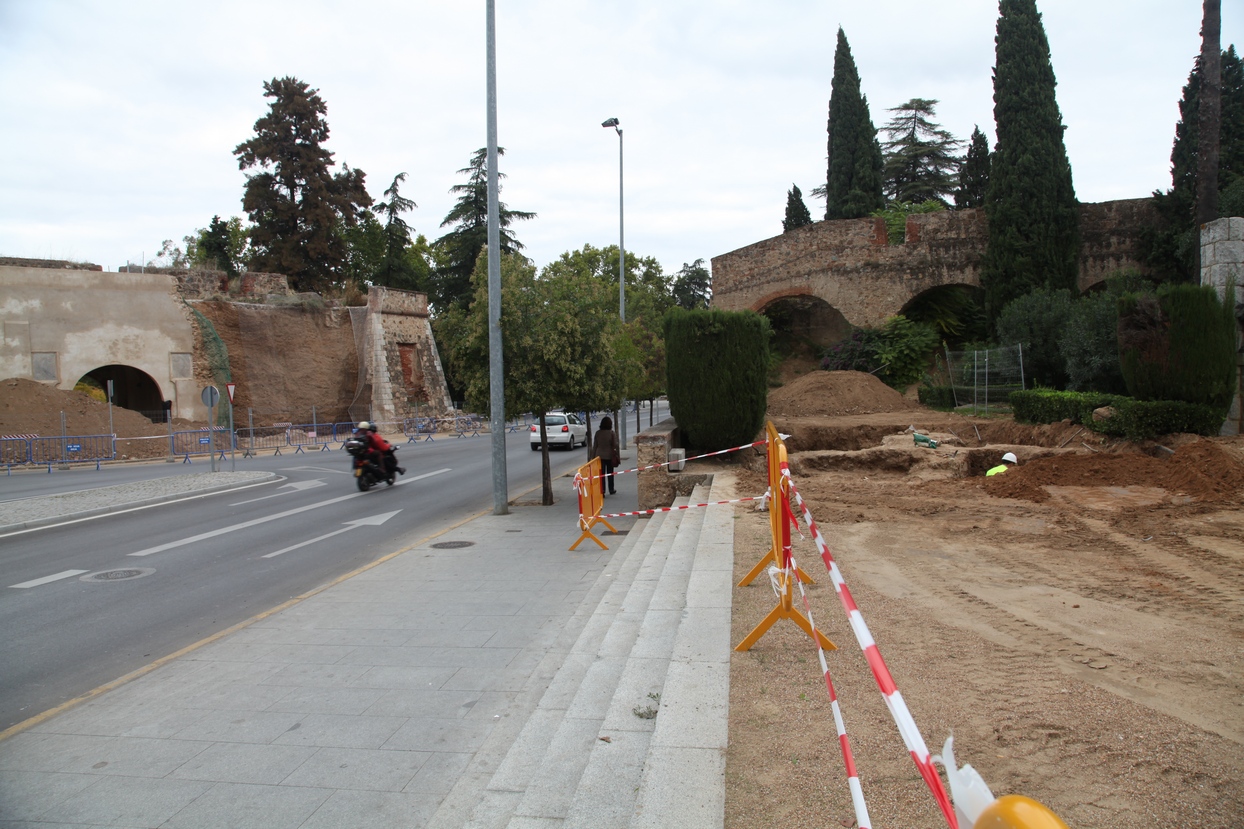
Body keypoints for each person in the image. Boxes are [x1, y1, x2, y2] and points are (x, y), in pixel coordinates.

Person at [591, 416, 620, 495]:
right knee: (610, 473)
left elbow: (595, 446)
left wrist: (592, 458)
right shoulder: (611, 433)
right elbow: (616, 445)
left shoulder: (598, 433)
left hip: (599, 456)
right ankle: (611, 489)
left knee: (601, 474)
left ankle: (602, 490)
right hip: (609, 456)